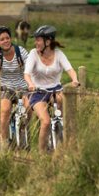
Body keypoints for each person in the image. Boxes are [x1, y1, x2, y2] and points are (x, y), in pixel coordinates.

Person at [24, 24, 79, 152]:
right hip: (37, 91)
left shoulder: (59, 54)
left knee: (64, 112)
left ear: (47, 41)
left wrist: (75, 80)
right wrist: (30, 84)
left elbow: (70, 69)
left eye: (38, 40)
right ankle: (42, 154)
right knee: (46, 121)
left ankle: (63, 142)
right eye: (35, 39)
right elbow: (26, 74)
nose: (35, 42)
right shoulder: (33, 53)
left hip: (55, 89)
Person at [0, 25, 29, 148]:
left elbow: (30, 68)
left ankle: (24, 134)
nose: (6, 41)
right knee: (4, 110)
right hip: (6, 88)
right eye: (2, 39)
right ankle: (4, 142)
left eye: (7, 38)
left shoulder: (20, 51)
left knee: (28, 108)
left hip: (23, 87)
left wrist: (32, 83)